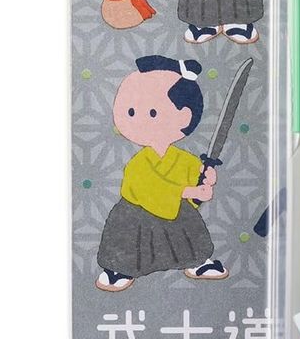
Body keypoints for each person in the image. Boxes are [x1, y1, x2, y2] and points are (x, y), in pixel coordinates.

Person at [96, 56, 228, 291]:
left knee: (188, 227)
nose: (137, 120)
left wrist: (205, 184)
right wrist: (188, 191)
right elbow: (148, 187)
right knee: (127, 241)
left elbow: (195, 186)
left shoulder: (185, 159)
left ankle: (197, 262)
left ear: (184, 116)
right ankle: (119, 270)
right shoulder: (138, 164)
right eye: (131, 112)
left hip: (174, 214)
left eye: (152, 113)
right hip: (137, 215)